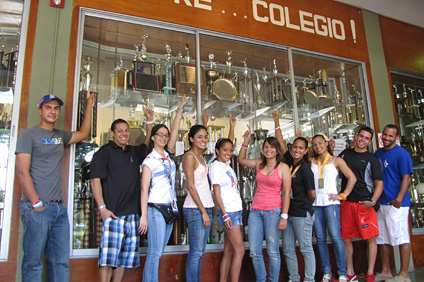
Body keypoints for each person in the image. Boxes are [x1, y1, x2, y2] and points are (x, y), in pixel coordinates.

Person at [16, 92, 95, 282]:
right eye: (48, 107)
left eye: (56, 108)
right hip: (36, 207)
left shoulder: (60, 136)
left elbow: (84, 134)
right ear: (40, 110)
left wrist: (90, 107)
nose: (52, 111)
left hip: (58, 209)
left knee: (59, 262)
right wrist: (36, 204)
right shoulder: (29, 135)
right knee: (33, 263)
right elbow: (22, 172)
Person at [89, 107, 153, 282]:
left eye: (126, 131)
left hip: (132, 216)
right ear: (112, 133)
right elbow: (95, 180)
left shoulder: (132, 151)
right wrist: (102, 208)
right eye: (120, 131)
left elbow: (147, 144)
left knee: (124, 260)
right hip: (114, 215)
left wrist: (149, 122)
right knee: (108, 260)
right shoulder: (104, 152)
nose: (124, 134)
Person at [138, 96, 189, 282]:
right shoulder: (149, 160)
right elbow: (144, 188)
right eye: (160, 134)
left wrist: (180, 109)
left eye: (165, 135)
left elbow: (174, 130)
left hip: (170, 206)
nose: (164, 137)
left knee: (159, 252)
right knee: (154, 253)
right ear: (152, 137)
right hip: (155, 208)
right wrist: (143, 215)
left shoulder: (167, 155)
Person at [237, 125, 291, 282]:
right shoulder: (259, 164)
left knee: (273, 250)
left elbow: (287, 193)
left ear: (277, 150)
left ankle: (273, 280)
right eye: (266, 147)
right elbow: (240, 159)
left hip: (274, 212)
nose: (269, 150)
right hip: (255, 211)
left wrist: (284, 216)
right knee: (254, 251)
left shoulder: (283, 167)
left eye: (272, 147)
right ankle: (261, 279)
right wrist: (246, 141)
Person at [338, 126, 383, 282]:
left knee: (370, 238)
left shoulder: (372, 159)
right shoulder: (344, 154)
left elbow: (379, 184)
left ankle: (370, 273)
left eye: (366, 138)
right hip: (347, 203)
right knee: (346, 238)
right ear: (356, 137)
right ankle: (350, 274)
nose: (363, 140)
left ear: (370, 141)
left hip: (364, 204)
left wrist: (372, 201)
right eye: (361, 136)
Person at [310, 133, 356, 282]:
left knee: (336, 237)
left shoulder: (337, 160)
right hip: (316, 203)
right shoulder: (311, 161)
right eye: (315, 144)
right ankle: (327, 272)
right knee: (321, 238)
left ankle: (342, 273)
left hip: (331, 203)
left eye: (320, 143)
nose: (318, 146)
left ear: (327, 143)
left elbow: (352, 178)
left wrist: (342, 195)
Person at [374, 124, 413, 282]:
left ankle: (404, 274)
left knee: (401, 237)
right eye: (385, 135)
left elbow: (407, 177)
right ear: (381, 135)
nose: (387, 138)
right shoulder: (378, 153)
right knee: (382, 238)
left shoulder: (402, 154)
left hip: (398, 203)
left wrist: (399, 198)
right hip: (381, 202)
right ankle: (386, 271)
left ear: (396, 138)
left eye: (391, 136)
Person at [210, 116, 244, 282]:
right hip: (229, 212)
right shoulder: (216, 167)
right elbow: (216, 193)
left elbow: (228, 143)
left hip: (235, 210)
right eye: (225, 150)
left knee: (230, 250)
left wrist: (232, 126)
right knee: (240, 250)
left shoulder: (226, 164)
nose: (228, 153)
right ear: (217, 151)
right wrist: (224, 214)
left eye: (230, 150)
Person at [182, 124, 215, 282]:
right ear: (191, 139)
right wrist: (202, 211)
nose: (203, 140)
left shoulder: (201, 157)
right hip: (195, 209)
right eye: (199, 137)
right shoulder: (189, 157)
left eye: (205, 136)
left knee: (200, 252)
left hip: (205, 208)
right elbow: (191, 186)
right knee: (196, 252)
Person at [282, 137, 316, 282]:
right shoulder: (289, 165)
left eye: (300, 148)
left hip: (302, 213)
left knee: (305, 248)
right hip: (288, 213)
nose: (297, 150)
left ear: (306, 151)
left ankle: (309, 279)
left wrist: (303, 205)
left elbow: (312, 195)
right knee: (288, 249)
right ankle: (294, 278)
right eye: (295, 147)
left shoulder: (306, 169)